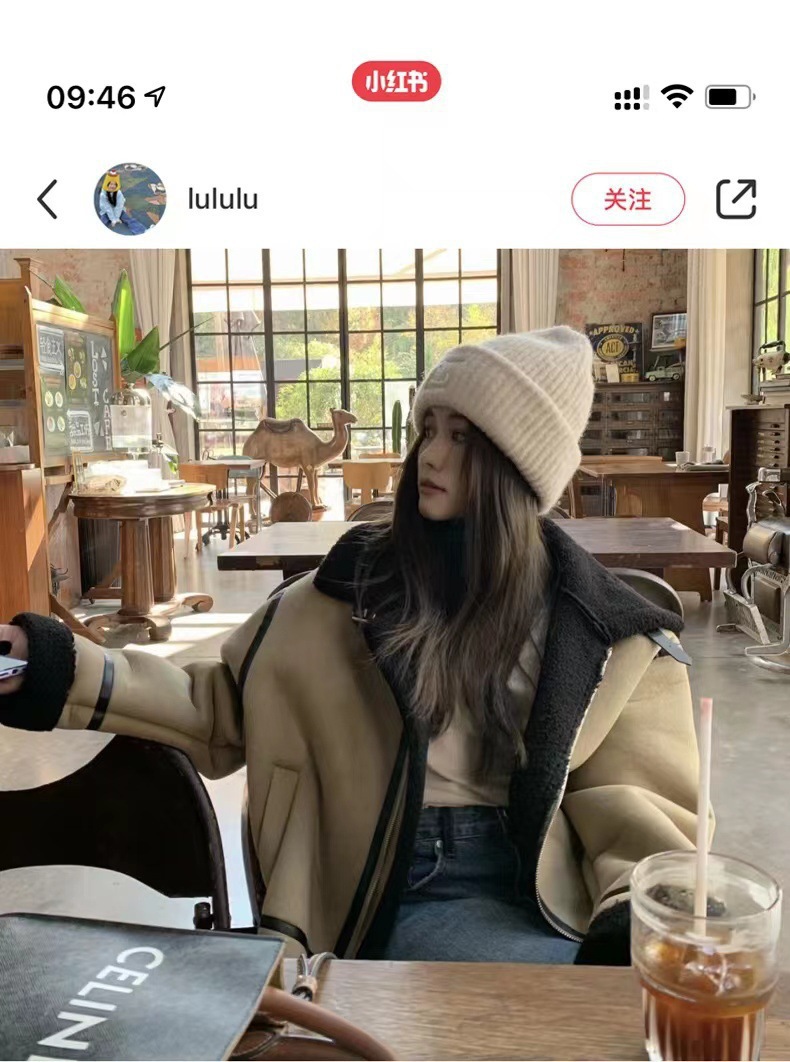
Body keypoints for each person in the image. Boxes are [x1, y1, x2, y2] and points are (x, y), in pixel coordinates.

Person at [0, 327, 702, 965]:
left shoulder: (604, 633)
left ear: (517, 467)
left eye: (463, 438)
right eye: (430, 430)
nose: (431, 455)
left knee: (641, 1014)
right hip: (394, 886)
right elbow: (214, 705)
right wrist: (45, 661)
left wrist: (640, 923)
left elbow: (635, 805)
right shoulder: (344, 597)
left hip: (554, 897)